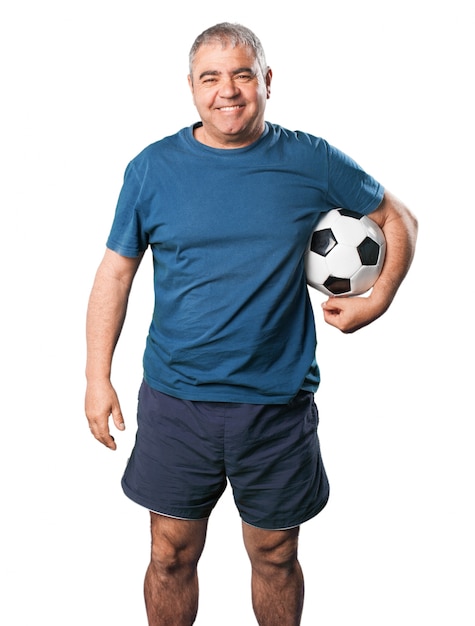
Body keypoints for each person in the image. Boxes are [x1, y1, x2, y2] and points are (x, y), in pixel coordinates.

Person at [85, 22, 418, 626]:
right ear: (190, 87)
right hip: (177, 401)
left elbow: (400, 219)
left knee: (275, 554)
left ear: (267, 81)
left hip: (276, 404)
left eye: (242, 74)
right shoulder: (151, 170)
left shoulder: (309, 159)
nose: (228, 91)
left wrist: (378, 300)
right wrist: (95, 377)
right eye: (211, 77)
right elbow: (114, 275)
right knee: (169, 554)